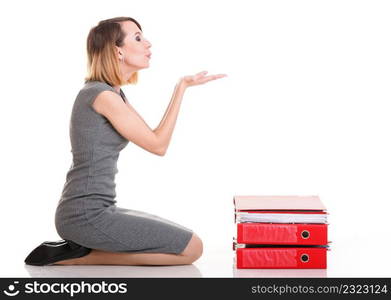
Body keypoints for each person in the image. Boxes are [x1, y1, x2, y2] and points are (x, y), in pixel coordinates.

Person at [53, 17, 226, 266]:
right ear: (117, 51)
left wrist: (182, 85)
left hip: (97, 209)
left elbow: (155, 138)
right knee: (192, 249)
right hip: (85, 215)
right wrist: (180, 90)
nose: (148, 44)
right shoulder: (101, 95)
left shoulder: (112, 92)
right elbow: (158, 146)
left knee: (188, 243)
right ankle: (81, 258)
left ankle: (82, 252)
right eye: (137, 37)